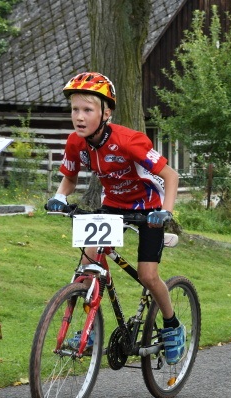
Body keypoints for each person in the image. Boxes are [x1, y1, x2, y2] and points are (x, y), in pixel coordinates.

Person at [45, 72, 186, 365]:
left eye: (88, 110)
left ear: (106, 113)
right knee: (89, 265)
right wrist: (60, 197)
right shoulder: (76, 142)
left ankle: (172, 326)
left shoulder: (129, 141)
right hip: (112, 207)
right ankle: (90, 331)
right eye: (75, 109)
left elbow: (170, 176)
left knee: (148, 276)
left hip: (148, 210)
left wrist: (166, 212)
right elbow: (69, 178)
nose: (79, 117)